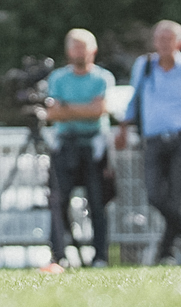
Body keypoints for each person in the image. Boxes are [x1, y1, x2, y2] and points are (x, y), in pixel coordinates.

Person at [118, 21, 181, 264]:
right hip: (152, 139)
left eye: (168, 39)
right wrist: (123, 126)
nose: (162, 44)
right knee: (154, 195)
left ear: (179, 43)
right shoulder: (145, 66)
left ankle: (167, 253)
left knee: (175, 198)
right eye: (159, 39)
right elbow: (134, 97)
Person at [41, 29, 116, 270]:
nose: (79, 52)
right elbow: (52, 113)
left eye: (83, 47)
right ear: (68, 51)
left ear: (93, 50)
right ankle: (59, 255)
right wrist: (84, 109)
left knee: (96, 203)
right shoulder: (58, 78)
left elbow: (98, 111)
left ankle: (100, 256)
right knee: (58, 201)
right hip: (66, 145)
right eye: (75, 47)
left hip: (94, 147)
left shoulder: (102, 78)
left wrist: (68, 108)